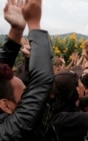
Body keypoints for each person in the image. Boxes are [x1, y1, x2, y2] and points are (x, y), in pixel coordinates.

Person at [0, 0, 54, 140]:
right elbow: (41, 82)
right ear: (5, 105)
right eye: (25, 96)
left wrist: (17, 30)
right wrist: (34, 24)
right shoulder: (7, 133)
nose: (31, 99)